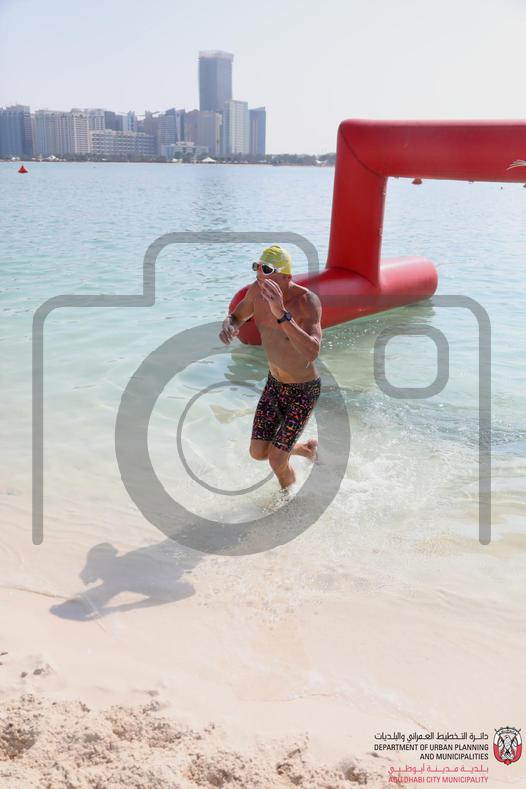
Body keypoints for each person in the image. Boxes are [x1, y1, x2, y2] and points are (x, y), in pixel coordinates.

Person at [219, 245, 322, 490]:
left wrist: (281, 314)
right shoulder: (256, 292)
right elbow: (236, 316)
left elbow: (312, 352)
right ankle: (306, 450)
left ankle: (289, 499)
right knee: (258, 452)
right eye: (258, 269)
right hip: (275, 385)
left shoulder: (307, 301)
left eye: (267, 272)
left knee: (277, 459)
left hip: (303, 391)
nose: (260, 277)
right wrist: (229, 325)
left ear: (287, 277)